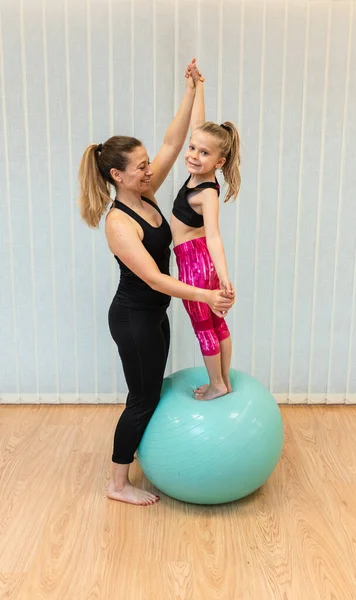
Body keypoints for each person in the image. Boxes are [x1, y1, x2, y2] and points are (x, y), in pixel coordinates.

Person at [78, 59, 234, 506]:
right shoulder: (118, 223)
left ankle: (132, 468)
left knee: (149, 389)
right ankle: (117, 485)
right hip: (133, 318)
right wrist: (208, 294)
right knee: (142, 398)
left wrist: (191, 90)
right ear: (117, 176)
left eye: (149, 164)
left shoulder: (144, 193)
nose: (151, 169)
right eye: (142, 166)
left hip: (153, 316)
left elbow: (172, 140)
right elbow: (154, 278)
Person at [170, 72, 241, 401]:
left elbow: (214, 237)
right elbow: (199, 125)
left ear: (219, 161)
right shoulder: (201, 173)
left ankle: (216, 384)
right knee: (217, 324)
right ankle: (224, 380)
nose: (193, 155)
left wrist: (224, 278)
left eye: (203, 153)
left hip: (197, 266)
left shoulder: (207, 192)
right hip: (201, 264)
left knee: (205, 328)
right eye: (192, 148)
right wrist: (198, 87)